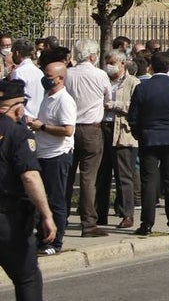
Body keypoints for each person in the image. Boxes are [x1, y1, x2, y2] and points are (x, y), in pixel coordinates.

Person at [0, 79, 57, 301]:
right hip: (9, 219)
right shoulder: (18, 133)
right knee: (27, 278)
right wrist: (46, 214)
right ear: (18, 108)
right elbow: (30, 177)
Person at [127, 52, 169, 237]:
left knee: (148, 181)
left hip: (149, 137)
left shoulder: (142, 88)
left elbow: (133, 116)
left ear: (151, 67)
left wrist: (139, 134)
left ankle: (147, 224)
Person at [64, 39, 112, 238]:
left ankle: (61, 216)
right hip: (91, 129)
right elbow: (108, 98)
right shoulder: (100, 75)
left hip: (69, 127)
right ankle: (89, 223)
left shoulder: (68, 74)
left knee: (67, 176)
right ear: (93, 56)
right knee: (88, 178)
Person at [28, 63, 74, 256]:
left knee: (56, 200)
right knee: (41, 199)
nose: (44, 79)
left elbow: (68, 130)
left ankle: (55, 242)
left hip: (57, 155)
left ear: (60, 78)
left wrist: (42, 127)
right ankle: (42, 238)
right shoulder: (48, 96)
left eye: (48, 76)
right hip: (43, 153)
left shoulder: (64, 100)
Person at [96, 49, 139, 229]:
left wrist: (116, 105)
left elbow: (137, 106)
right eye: (107, 62)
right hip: (103, 128)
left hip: (122, 131)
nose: (109, 66)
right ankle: (100, 213)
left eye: (112, 63)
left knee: (124, 175)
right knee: (102, 175)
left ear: (122, 63)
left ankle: (127, 213)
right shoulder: (102, 80)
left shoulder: (133, 82)